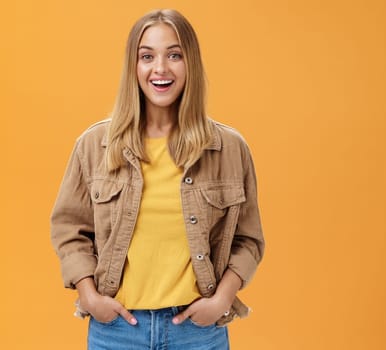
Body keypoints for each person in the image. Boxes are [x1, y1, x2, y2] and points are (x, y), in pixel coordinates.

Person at [50, 9, 264, 349]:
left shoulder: (227, 148)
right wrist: (89, 296)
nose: (160, 68)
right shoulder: (95, 146)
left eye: (174, 55)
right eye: (147, 56)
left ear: (190, 63)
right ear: (133, 67)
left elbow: (248, 239)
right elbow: (69, 229)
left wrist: (222, 300)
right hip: (117, 332)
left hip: (198, 333)